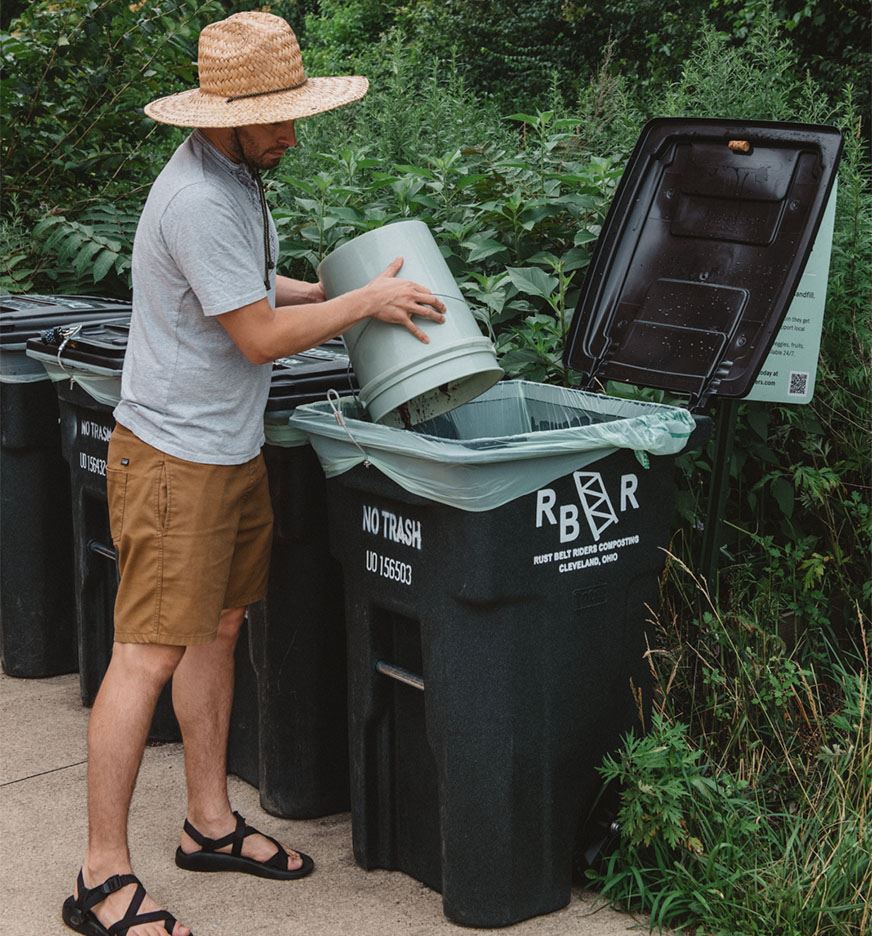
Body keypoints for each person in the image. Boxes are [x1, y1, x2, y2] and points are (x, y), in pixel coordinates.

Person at [62, 12, 446, 936]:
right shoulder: (195, 196)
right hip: (171, 461)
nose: (292, 132)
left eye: (293, 111)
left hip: (225, 453)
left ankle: (209, 824)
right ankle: (99, 876)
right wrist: (365, 304)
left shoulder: (235, 175)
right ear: (222, 116)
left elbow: (248, 288)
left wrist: (325, 290)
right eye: (276, 117)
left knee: (220, 631)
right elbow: (258, 338)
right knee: (145, 654)